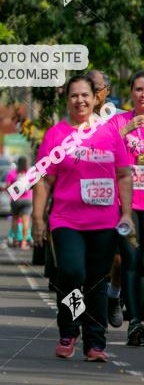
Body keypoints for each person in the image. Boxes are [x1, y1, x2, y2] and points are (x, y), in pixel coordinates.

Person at [32, 74, 133, 361]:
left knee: (96, 282)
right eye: (74, 95)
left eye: (85, 95)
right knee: (73, 273)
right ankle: (69, 331)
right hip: (66, 220)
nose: (80, 100)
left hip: (104, 221)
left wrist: (126, 212)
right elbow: (44, 180)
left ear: (95, 99)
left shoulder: (110, 133)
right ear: (67, 100)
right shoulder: (56, 135)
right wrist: (38, 218)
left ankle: (95, 343)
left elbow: (124, 175)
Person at [87, 70, 125, 330]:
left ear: (107, 91)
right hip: (84, 195)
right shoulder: (79, 120)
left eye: (97, 88)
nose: (94, 93)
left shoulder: (122, 118)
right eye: (90, 87)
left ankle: (113, 295)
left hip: (117, 193)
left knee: (119, 258)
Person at [109, 69, 144, 345]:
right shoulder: (119, 122)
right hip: (128, 205)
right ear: (131, 92)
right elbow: (104, 151)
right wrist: (125, 131)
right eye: (139, 89)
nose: (143, 94)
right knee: (131, 261)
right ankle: (135, 321)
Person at [6, 157, 33, 250]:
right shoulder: (29, 173)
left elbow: (8, 186)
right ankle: (24, 242)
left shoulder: (12, 173)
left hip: (15, 200)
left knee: (15, 219)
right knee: (26, 221)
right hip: (27, 200)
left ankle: (15, 240)